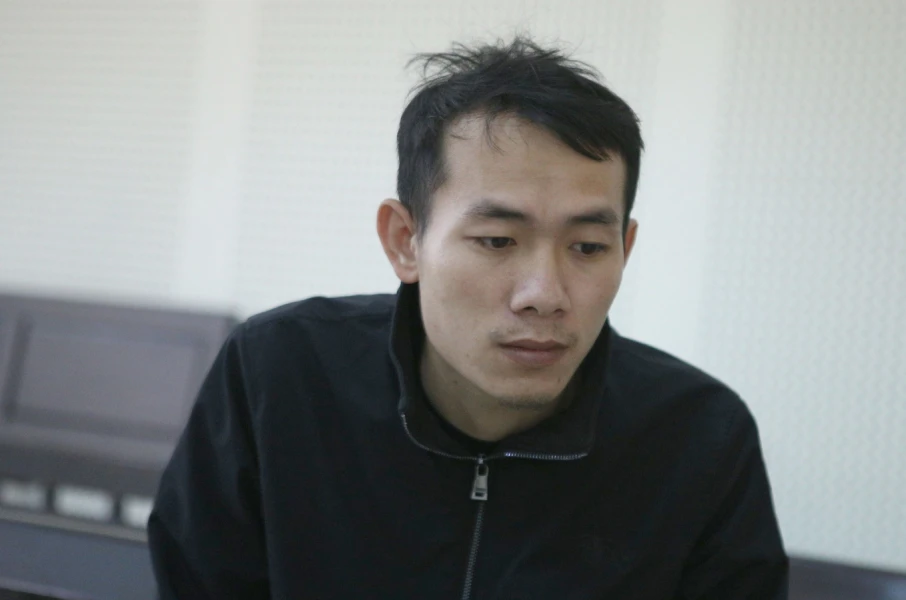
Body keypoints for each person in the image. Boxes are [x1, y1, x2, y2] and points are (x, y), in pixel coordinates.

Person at [148, 37, 788, 599]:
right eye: (497, 241)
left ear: (626, 247)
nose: (544, 295)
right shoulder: (278, 375)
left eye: (589, 248)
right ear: (405, 241)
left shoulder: (701, 437)